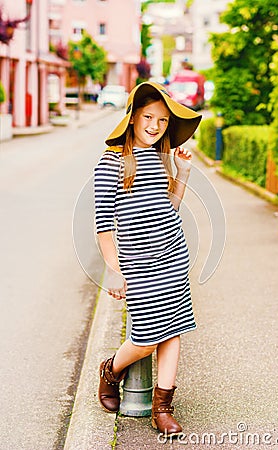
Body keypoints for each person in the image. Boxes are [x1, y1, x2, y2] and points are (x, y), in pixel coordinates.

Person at [94, 81, 202, 436]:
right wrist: (113, 271)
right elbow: (104, 227)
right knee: (144, 337)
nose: (155, 126)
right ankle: (110, 369)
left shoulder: (159, 159)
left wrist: (182, 175)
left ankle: (163, 408)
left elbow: (168, 208)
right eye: (148, 117)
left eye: (162, 121)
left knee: (174, 331)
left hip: (173, 256)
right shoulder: (111, 163)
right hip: (139, 264)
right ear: (133, 118)